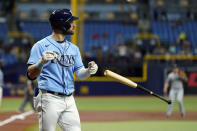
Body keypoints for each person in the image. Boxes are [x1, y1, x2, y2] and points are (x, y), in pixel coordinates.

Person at [27, 9, 98, 131]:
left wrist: (88, 71)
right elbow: (30, 74)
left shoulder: (73, 48)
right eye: (71, 21)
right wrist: (40, 63)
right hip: (49, 98)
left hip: (69, 99)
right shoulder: (40, 46)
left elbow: (80, 75)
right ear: (62, 24)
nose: (74, 25)